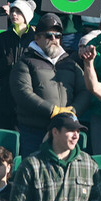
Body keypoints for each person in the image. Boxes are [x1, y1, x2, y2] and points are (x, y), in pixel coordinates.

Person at [12, 13, 90, 156]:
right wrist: (53, 110)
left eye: (58, 36)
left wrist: (72, 110)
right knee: (34, 174)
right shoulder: (25, 62)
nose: (54, 39)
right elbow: (23, 93)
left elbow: (85, 90)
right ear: (37, 38)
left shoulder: (71, 63)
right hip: (34, 131)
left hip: (65, 129)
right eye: (49, 35)